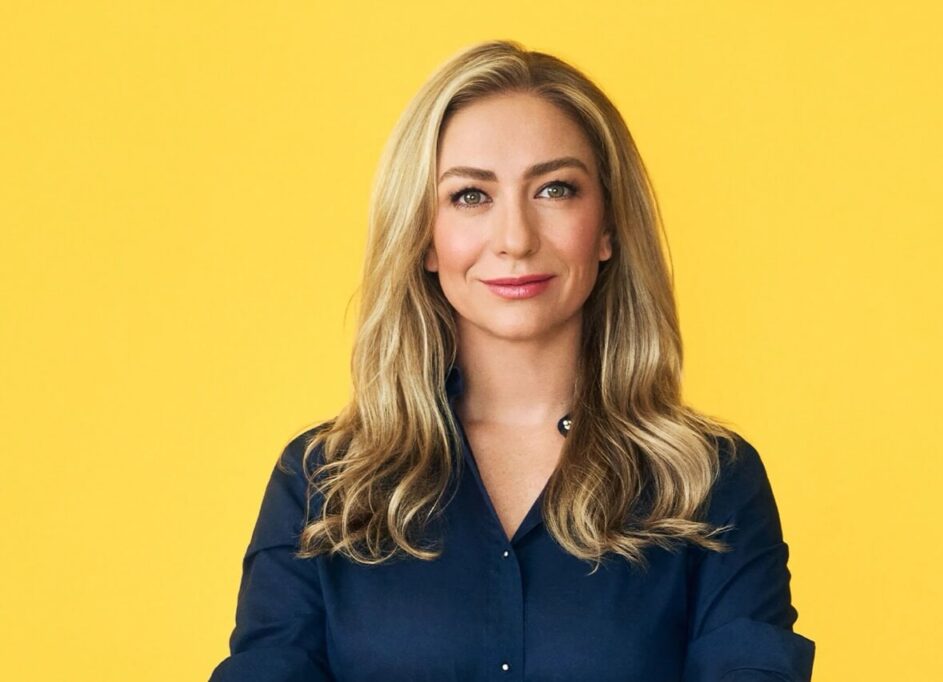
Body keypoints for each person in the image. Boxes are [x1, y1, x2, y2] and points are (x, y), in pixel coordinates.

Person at [210, 40, 815, 681]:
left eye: (555, 189)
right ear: (424, 237)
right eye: (471, 196)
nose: (516, 239)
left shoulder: (708, 482)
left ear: (607, 227)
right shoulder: (322, 485)